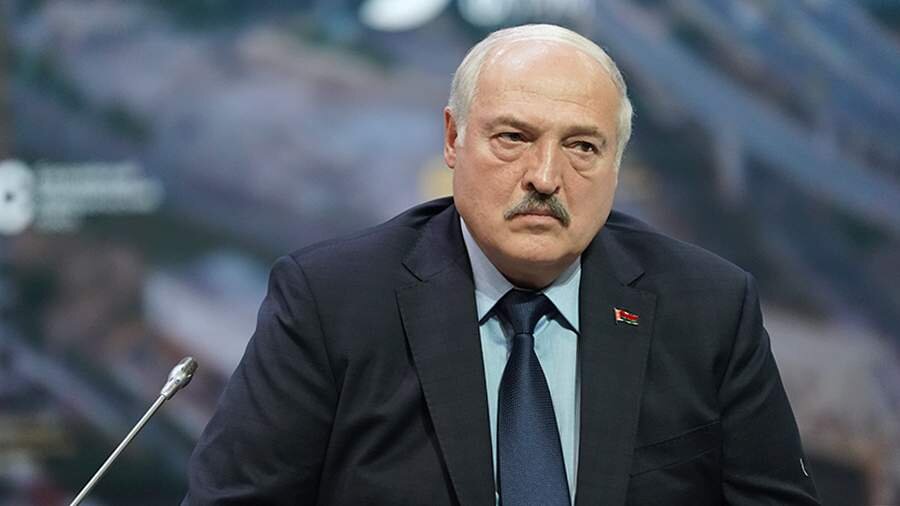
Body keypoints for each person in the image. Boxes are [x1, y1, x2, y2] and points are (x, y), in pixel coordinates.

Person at [183, 24, 820, 505]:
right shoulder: (331, 302)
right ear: (453, 139)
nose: (545, 176)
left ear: (616, 164)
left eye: (582, 147)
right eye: (513, 137)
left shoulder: (708, 306)